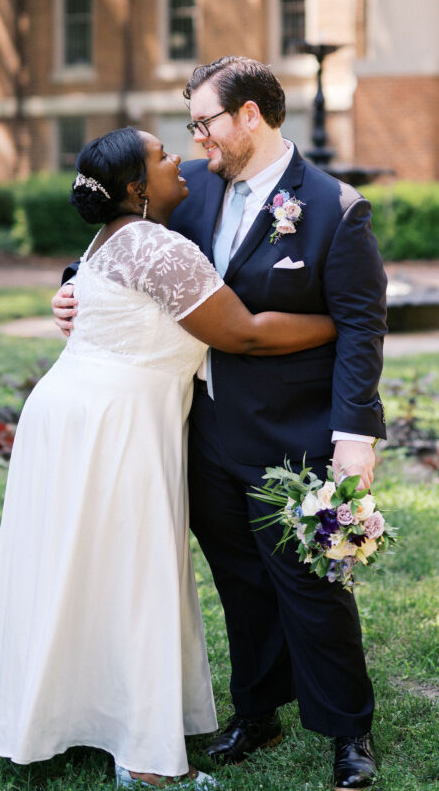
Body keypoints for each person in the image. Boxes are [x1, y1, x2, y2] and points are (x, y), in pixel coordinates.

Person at [0, 125, 339, 790]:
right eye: (164, 157)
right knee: (132, 575)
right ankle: (143, 760)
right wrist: (343, 318)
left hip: (75, 413)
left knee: (79, 571)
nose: (178, 162)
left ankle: (52, 713)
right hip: (115, 423)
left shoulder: (112, 236)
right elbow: (244, 335)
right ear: (137, 188)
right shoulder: (156, 245)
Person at [54, 57, 387, 790]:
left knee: (311, 582)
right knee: (236, 578)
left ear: (249, 117)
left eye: (204, 121)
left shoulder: (334, 206)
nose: (195, 136)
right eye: (191, 124)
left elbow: (361, 326)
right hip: (199, 428)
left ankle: (347, 732)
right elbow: (121, 242)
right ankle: (257, 710)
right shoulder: (190, 189)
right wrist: (71, 291)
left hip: (290, 430)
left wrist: (353, 435)